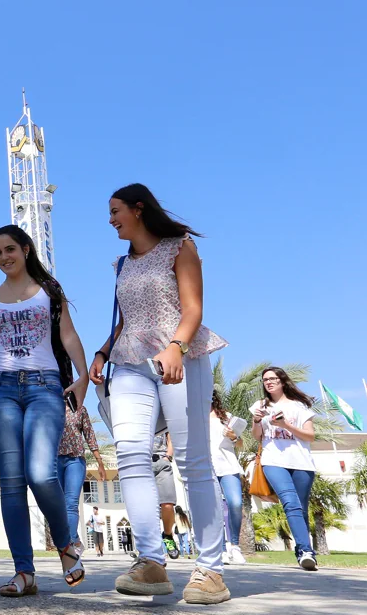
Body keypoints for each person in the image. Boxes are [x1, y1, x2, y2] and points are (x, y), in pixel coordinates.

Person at [88, 183, 230, 605]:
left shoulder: (178, 247)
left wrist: (176, 347)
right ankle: (151, 562)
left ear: (138, 209)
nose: (111, 219)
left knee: (191, 459)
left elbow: (193, 309)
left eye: (115, 211)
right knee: (131, 453)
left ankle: (211, 570)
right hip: (130, 361)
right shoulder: (121, 264)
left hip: (179, 356)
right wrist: (101, 352)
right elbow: (127, 321)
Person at [0, 225, 90, 598]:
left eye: (10, 250)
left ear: (26, 249)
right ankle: (24, 572)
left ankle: (66, 545)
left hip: (44, 387)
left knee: (40, 473)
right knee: (12, 482)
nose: (4, 257)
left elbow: (67, 334)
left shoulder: (49, 290)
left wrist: (83, 376)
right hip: (1, 390)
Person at [251, 366, 318, 571]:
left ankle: (302, 550)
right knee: (290, 502)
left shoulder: (299, 406)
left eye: (272, 379)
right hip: (273, 461)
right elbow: (257, 436)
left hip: (301, 462)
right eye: (265, 380)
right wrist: (256, 419)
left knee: (301, 508)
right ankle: (307, 551)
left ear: (282, 381)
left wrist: (286, 425)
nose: (268, 382)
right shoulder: (260, 405)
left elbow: (310, 436)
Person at [59, 399, 108, 554]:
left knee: (71, 503)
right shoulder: (47, 407)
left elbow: (90, 435)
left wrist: (100, 462)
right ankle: (72, 540)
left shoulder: (80, 409)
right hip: (54, 461)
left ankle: (72, 543)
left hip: (75, 460)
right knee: (59, 505)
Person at [209, 389, 248, 565]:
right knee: (214, 508)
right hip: (207, 467)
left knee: (235, 503)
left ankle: (235, 546)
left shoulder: (226, 417)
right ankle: (221, 549)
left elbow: (239, 443)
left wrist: (233, 437)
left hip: (228, 465)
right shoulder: (193, 417)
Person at [153, 432, 180, 559]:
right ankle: (150, 548)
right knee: (146, 508)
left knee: (168, 504)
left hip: (162, 461)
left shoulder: (161, 412)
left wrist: (168, 456)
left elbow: (170, 435)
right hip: (142, 462)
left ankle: (168, 535)